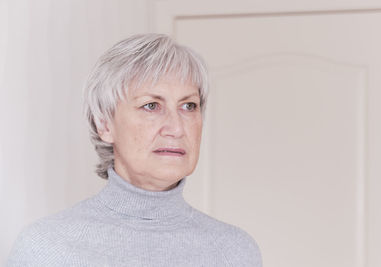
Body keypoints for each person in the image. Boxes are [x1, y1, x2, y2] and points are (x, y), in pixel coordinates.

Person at [6, 33, 263, 266]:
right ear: (105, 124)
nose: (176, 128)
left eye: (189, 106)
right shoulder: (45, 249)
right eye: (151, 105)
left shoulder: (236, 252)